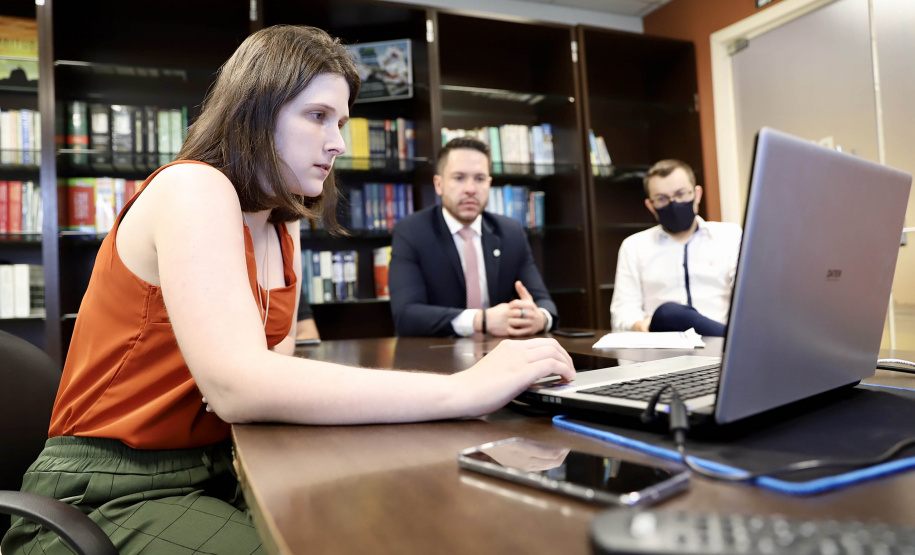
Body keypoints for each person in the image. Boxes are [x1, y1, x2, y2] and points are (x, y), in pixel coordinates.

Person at [1, 26, 575, 555]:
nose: (336, 143)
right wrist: (464, 391)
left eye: (342, 122)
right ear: (255, 111)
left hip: (218, 467)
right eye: (317, 116)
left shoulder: (284, 225)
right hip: (109, 488)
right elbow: (240, 388)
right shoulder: (194, 188)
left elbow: (275, 388)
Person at [388, 137, 559, 337]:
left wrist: (540, 318)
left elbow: (545, 304)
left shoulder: (510, 231)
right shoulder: (411, 231)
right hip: (436, 355)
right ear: (439, 184)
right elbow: (406, 316)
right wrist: (480, 320)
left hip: (499, 353)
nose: (470, 189)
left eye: (479, 179)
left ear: (489, 184)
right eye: (459, 178)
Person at [609, 159, 742, 337]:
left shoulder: (729, 236)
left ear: (697, 194)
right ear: (651, 205)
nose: (673, 203)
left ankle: (730, 338)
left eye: (681, 194)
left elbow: (746, 293)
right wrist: (639, 325)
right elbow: (623, 311)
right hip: (662, 346)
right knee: (668, 313)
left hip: (717, 344)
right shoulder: (633, 246)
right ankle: (734, 338)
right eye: (662, 199)